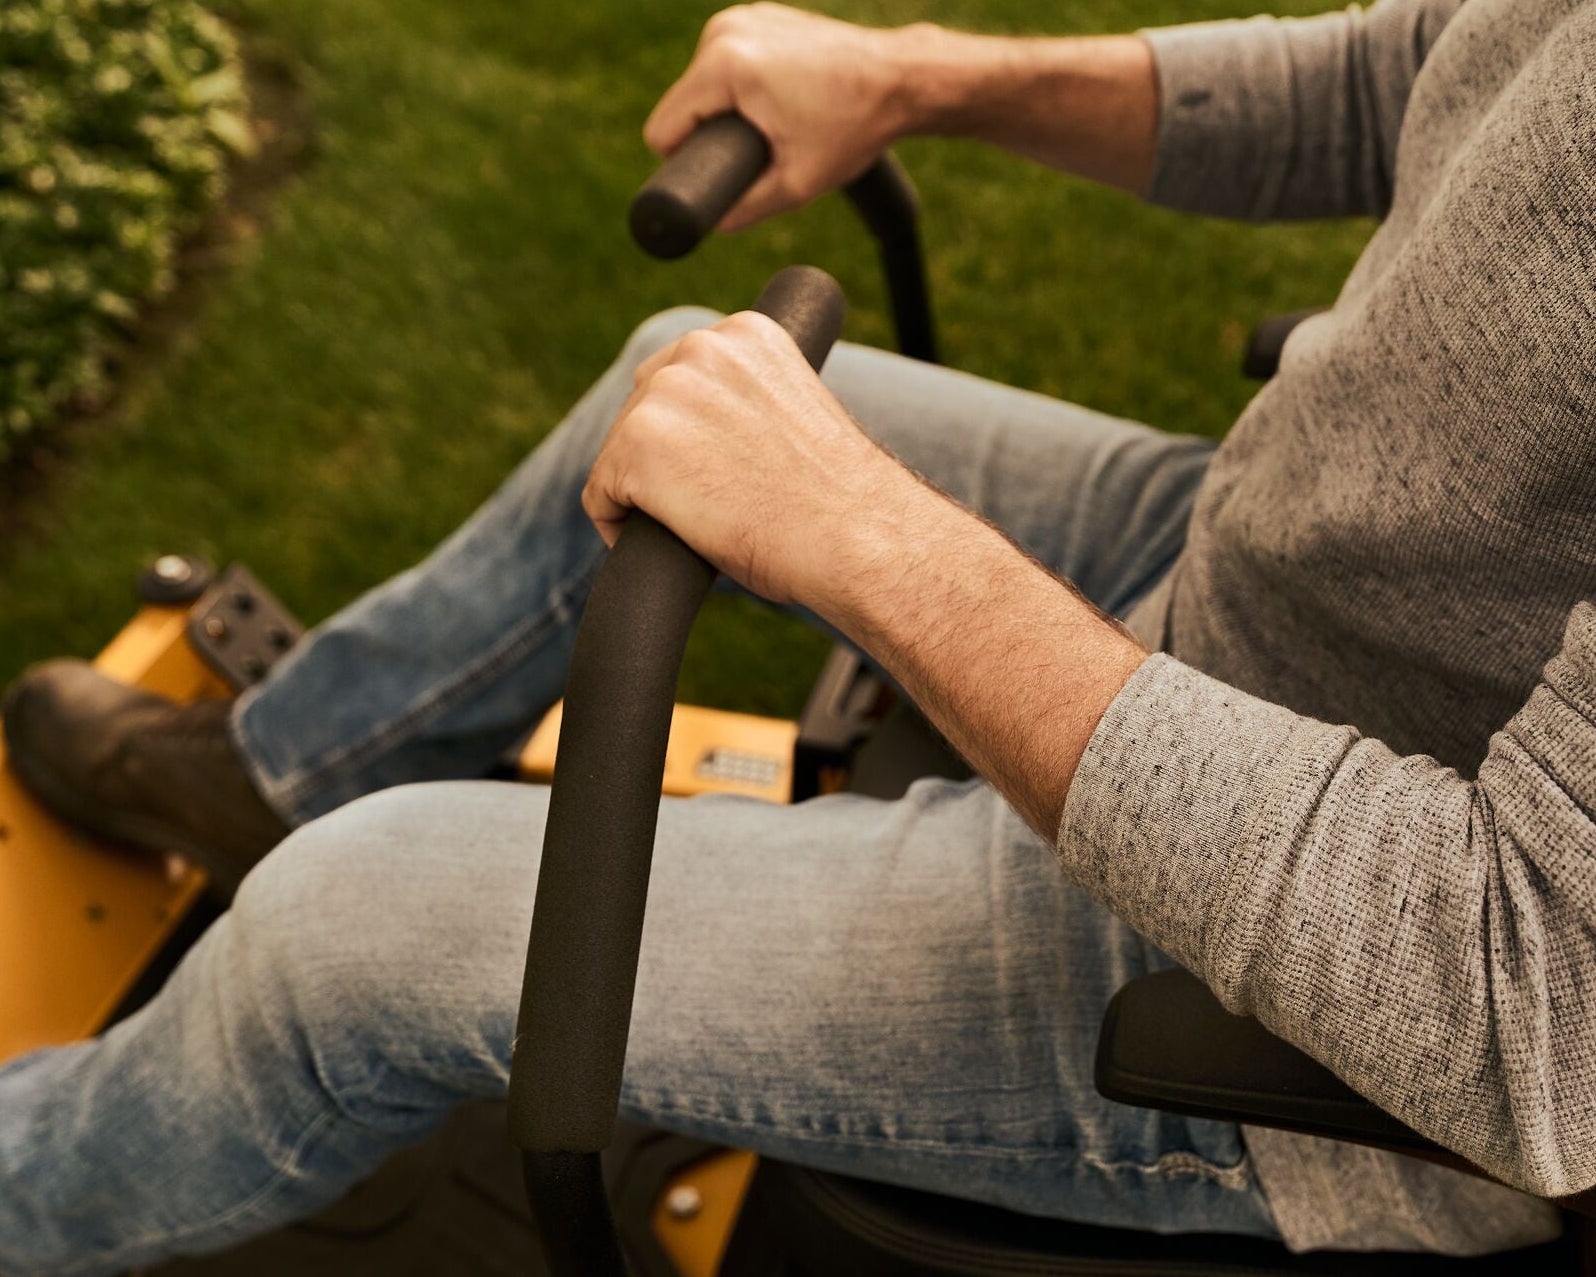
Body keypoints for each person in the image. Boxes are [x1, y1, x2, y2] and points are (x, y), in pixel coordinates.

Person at [2, 0, 1593, 1270]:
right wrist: (910, 79)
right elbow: (1426, 75)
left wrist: (869, 537)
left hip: (1304, 1000)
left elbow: (1529, 1005)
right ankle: (282, 773)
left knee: (337, 940)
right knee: (686, 366)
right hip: (1265, 565)